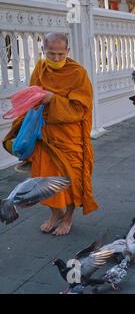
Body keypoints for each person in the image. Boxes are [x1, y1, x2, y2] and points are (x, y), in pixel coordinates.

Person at [3, 33, 99, 235]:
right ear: (44, 51)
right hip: (44, 135)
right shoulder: (40, 68)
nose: (56, 58)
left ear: (68, 51)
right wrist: (37, 98)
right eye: (51, 54)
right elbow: (32, 99)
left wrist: (52, 99)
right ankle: (55, 214)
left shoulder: (78, 73)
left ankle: (68, 218)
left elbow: (81, 109)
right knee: (44, 179)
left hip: (69, 135)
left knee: (71, 178)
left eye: (60, 54)